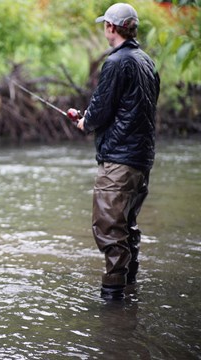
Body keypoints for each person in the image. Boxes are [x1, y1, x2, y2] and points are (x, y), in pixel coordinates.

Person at [69, 3, 160, 300]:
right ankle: (129, 288)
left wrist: (85, 121)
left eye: (104, 26)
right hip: (141, 159)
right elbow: (127, 107)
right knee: (126, 225)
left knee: (108, 227)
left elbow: (102, 109)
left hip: (119, 161)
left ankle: (113, 299)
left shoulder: (117, 62)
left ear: (111, 27)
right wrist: (89, 117)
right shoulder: (145, 60)